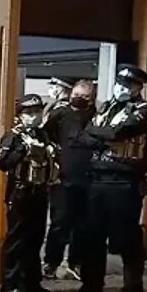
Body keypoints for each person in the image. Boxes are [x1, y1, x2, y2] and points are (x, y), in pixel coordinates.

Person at [72, 65, 147, 292]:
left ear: (138, 88)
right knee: (93, 236)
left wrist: (102, 135)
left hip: (125, 182)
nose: (122, 88)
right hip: (98, 180)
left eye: (129, 85)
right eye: (120, 83)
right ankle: (91, 287)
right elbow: (83, 135)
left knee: (127, 239)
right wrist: (105, 136)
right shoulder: (106, 108)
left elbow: (121, 132)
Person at [0, 94, 58, 292]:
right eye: (29, 113)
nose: (34, 116)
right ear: (20, 116)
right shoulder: (13, 137)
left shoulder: (43, 135)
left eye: (37, 112)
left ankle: (32, 282)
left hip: (39, 192)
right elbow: (3, 163)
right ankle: (10, 283)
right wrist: (20, 152)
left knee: (35, 238)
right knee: (16, 239)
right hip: (20, 192)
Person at [41, 79, 97, 281]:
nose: (79, 99)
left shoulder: (96, 117)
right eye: (77, 95)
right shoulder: (61, 114)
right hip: (64, 178)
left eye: (85, 96)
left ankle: (76, 262)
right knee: (60, 223)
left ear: (91, 99)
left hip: (89, 178)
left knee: (83, 225)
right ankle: (51, 262)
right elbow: (45, 136)